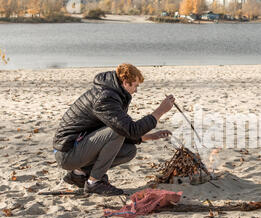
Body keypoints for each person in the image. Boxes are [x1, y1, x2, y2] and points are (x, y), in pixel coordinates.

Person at [53, 63, 175, 196]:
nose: (136, 90)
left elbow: (125, 131)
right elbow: (127, 130)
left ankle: (79, 174)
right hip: (67, 153)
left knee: (129, 151)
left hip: (78, 148)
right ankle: (94, 183)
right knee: (115, 131)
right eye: (135, 86)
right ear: (125, 82)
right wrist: (160, 111)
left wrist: (149, 136)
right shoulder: (105, 98)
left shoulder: (114, 93)